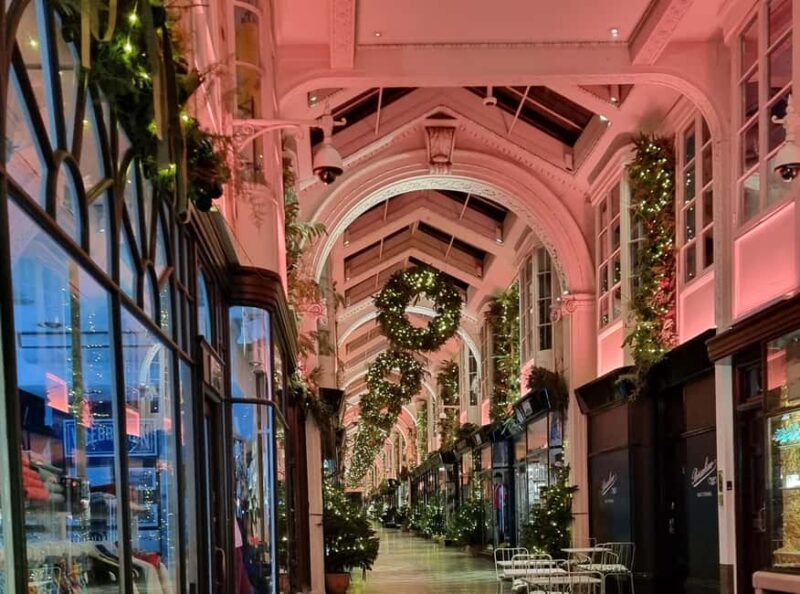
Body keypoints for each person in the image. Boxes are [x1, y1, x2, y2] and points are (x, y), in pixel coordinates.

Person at [493, 472, 508, 544]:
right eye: (496, 478)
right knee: (499, 523)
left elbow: (504, 497)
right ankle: (500, 538)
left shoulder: (502, 487)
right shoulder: (497, 486)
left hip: (501, 507)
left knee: (502, 523)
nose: (496, 480)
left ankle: (502, 539)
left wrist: (502, 503)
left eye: (497, 478)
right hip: (498, 507)